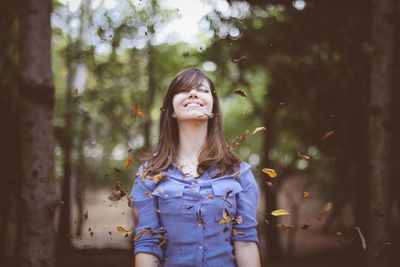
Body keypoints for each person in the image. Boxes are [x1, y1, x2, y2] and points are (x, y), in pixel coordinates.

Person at [130, 68, 261, 267]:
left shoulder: (239, 173)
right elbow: (148, 245)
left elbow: (245, 243)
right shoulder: (149, 175)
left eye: (202, 90)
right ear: (171, 110)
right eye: (183, 90)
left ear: (213, 109)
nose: (193, 93)